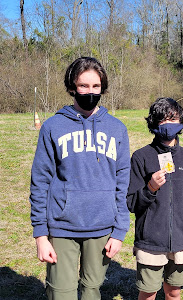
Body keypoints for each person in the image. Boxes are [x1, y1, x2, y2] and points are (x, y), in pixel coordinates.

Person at [29, 57, 131, 300]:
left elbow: (122, 182)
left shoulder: (117, 128)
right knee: (61, 292)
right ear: (72, 87)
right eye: (83, 86)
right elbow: (40, 181)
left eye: (95, 86)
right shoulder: (53, 126)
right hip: (62, 226)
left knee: (91, 289)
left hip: (102, 227)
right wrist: (40, 235)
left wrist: (119, 231)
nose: (90, 92)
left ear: (102, 88)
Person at [126, 97, 183, 300]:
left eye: (173, 119)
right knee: (148, 291)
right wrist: (150, 187)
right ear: (153, 124)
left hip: (182, 241)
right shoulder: (141, 157)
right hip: (150, 242)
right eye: (162, 120)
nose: (168, 125)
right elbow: (132, 203)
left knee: (174, 291)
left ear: (181, 122)